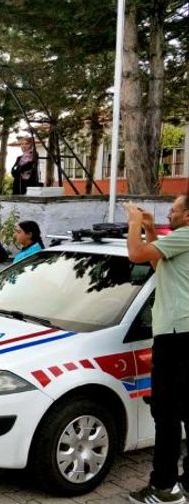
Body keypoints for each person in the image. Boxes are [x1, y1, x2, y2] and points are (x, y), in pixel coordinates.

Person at [125, 195, 189, 504]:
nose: (169, 213)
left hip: (176, 336)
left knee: (166, 413)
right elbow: (157, 261)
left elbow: (136, 255)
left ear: (188, 216)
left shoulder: (185, 235)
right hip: (184, 334)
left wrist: (134, 221)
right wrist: (150, 230)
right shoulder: (180, 241)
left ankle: (165, 488)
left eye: (174, 210)